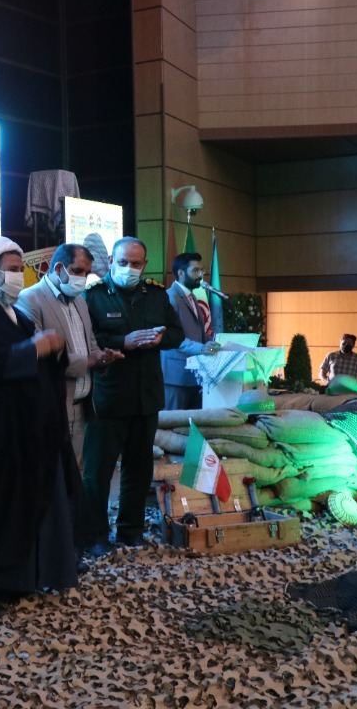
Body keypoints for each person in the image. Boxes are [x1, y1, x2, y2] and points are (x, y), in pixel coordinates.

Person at [0, 237, 80, 616]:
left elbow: (42, 362)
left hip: (20, 432)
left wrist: (54, 350)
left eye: (18, 269)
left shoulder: (18, 316)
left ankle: (9, 580)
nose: (17, 277)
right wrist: (34, 349)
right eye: (10, 270)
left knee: (14, 511)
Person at [81, 237, 184, 553]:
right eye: (123, 262)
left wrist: (161, 340)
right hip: (108, 398)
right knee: (98, 472)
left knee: (139, 470)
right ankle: (96, 536)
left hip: (146, 397)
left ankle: (130, 530)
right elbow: (86, 338)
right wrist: (122, 341)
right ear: (112, 261)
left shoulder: (156, 295)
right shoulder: (93, 296)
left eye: (136, 264)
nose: (129, 268)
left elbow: (177, 333)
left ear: (145, 265)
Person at [18, 243, 123, 468]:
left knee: (74, 476)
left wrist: (103, 357)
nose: (82, 278)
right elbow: (41, 357)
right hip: (51, 407)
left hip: (81, 407)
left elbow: (91, 345)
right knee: (49, 476)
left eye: (86, 273)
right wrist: (89, 361)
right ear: (58, 268)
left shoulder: (80, 301)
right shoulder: (30, 299)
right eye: (77, 271)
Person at [162, 252, 221, 409]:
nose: (201, 275)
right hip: (176, 377)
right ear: (181, 273)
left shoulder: (192, 296)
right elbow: (171, 338)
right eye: (195, 271)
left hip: (195, 374)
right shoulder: (169, 297)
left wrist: (219, 343)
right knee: (175, 421)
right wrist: (202, 348)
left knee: (194, 421)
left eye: (202, 270)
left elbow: (199, 334)